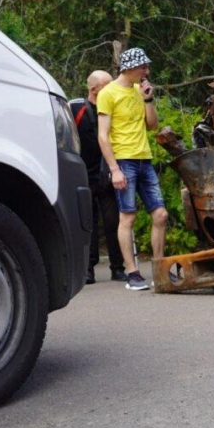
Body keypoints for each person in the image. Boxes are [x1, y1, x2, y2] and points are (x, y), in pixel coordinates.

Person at [97, 48, 168, 291]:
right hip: (123, 161)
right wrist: (114, 169)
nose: (147, 71)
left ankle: (159, 270)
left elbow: (152, 125)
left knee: (160, 215)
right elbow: (102, 135)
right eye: (143, 67)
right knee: (127, 216)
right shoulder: (108, 93)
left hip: (144, 159)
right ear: (129, 68)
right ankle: (132, 273)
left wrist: (148, 100)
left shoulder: (140, 90)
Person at [70, 70, 127, 284]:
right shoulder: (76, 107)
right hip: (83, 175)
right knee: (89, 223)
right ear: (93, 89)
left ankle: (118, 267)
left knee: (113, 221)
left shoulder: (113, 106)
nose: (112, 88)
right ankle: (88, 269)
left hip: (109, 173)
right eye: (107, 85)